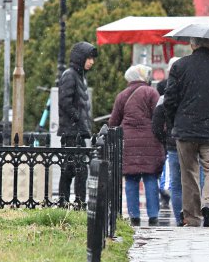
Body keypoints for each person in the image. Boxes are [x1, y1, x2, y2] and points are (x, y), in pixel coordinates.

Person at [164, 38, 209, 228]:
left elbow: (169, 99)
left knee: (188, 173)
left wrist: (176, 121)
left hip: (185, 129)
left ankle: (192, 217)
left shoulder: (179, 66)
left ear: (192, 45)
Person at [109, 64, 166, 226]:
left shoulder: (122, 96)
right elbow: (159, 117)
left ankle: (134, 216)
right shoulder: (151, 93)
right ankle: (153, 215)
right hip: (151, 142)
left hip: (129, 143)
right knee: (150, 178)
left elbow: (114, 121)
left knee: (131, 180)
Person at [57, 41, 96, 204]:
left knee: (76, 169)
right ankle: (69, 202)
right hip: (71, 132)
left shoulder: (79, 76)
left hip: (77, 131)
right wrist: (77, 118)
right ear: (81, 58)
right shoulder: (70, 75)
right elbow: (64, 101)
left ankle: (73, 202)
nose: (92, 62)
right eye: (89, 58)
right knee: (73, 170)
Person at [152, 59, 184, 226]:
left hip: (172, 143)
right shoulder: (190, 94)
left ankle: (180, 220)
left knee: (176, 184)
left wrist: (165, 139)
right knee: (193, 180)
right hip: (190, 140)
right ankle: (195, 214)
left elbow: (156, 124)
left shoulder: (165, 94)